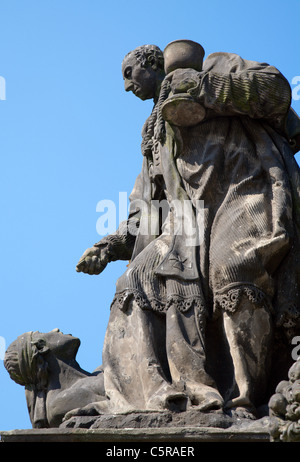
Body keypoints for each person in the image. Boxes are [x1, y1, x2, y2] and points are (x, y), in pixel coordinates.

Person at [76, 43, 300, 418]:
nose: (127, 87)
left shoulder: (215, 67)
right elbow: (146, 203)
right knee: (134, 281)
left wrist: (203, 88)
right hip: (188, 221)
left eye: (129, 74)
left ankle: (245, 397)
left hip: (245, 187)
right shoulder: (153, 131)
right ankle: (164, 396)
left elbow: (275, 90)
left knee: (232, 269)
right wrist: (112, 243)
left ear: (152, 64)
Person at [4, 329, 106, 427]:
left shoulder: (100, 371)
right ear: (42, 349)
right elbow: (115, 405)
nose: (55, 330)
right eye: (43, 333)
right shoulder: (61, 403)